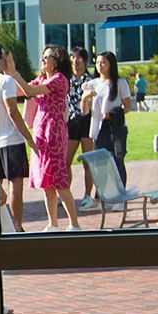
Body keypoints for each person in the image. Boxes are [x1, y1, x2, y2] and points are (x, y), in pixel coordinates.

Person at [23, 46, 78, 229]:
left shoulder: (59, 80)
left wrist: (13, 72)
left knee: (59, 178)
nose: (43, 60)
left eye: (47, 57)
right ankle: (53, 223)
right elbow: (24, 90)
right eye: (43, 57)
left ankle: (74, 224)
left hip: (53, 131)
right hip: (41, 130)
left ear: (57, 61)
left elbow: (30, 91)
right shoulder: (42, 78)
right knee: (47, 182)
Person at [0, 42, 40, 232]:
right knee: (15, 188)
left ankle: (0, 226)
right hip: (12, 140)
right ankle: (17, 227)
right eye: (7, 56)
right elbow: (13, 112)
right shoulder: (6, 82)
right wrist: (29, 138)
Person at [81, 50, 136, 187]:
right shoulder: (92, 84)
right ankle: (102, 195)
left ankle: (120, 192)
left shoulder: (120, 83)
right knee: (100, 163)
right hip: (99, 128)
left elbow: (128, 106)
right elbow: (85, 111)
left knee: (117, 160)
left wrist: (113, 114)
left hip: (115, 127)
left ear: (111, 64)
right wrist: (84, 99)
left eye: (103, 62)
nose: (100, 65)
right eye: (98, 62)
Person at [67, 42, 96, 202]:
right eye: (72, 57)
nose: (75, 61)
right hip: (70, 124)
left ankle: (87, 195)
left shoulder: (90, 80)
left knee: (87, 162)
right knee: (66, 161)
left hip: (86, 122)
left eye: (78, 58)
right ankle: (66, 194)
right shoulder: (66, 79)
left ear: (84, 60)